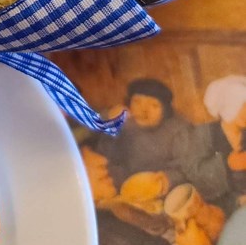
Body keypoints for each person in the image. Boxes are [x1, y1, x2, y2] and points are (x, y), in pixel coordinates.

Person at [95, 78, 193, 195]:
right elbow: (105, 157)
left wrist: (169, 178)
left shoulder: (178, 130)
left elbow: (187, 167)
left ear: (166, 111)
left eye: (154, 105)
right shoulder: (124, 123)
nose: (144, 110)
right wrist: (108, 119)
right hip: (124, 191)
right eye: (137, 102)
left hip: (162, 191)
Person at [181, 75, 246, 214]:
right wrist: (227, 164)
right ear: (229, 107)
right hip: (222, 207)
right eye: (243, 107)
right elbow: (194, 175)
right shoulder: (203, 134)